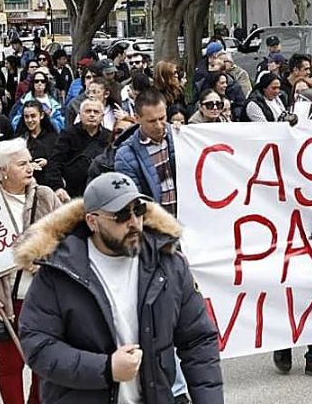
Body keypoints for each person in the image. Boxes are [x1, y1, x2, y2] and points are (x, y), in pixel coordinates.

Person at [16, 172, 223, 404]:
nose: (134, 222)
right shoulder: (59, 271)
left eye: (139, 210)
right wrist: (106, 368)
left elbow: (198, 340)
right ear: (92, 221)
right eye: (121, 215)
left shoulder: (168, 264)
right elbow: (39, 346)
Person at [0, 139, 60, 404]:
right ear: (2, 170)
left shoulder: (45, 196)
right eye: (21, 164)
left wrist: (46, 261)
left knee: (44, 365)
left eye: (30, 161)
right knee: (10, 364)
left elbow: (67, 241)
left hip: (43, 299)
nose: (30, 168)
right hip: (4, 302)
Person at [114, 89, 177, 216]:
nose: (159, 125)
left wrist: (183, 135)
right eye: (152, 121)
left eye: (162, 118)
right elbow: (133, 200)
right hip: (155, 221)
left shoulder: (177, 136)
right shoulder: (125, 156)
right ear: (137, 118)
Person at [48, 98, 111, 200]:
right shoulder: (67, 134)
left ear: (102, 116)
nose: (92, 115)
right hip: (72, 193)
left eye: (96, 112)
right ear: (80, 115)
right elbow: (55, 162)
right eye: (88, 111)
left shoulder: (108, 137)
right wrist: (57, 187)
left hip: (101, 192)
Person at [15, 100, 59, 190]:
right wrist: (28, 165)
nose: (29, 120)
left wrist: (47, 162)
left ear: (41, 115)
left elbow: (59, 160)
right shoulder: (19, 139)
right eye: (26, 117)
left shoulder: (53, 137)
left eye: (33, 116)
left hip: (48, 185)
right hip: (24, 185)